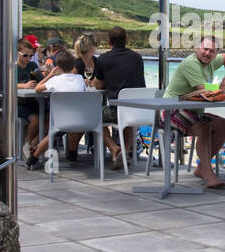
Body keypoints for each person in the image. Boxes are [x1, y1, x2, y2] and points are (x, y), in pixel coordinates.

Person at [165, 35, 225, 188]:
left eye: (212, 51)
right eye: (205, 49)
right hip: (170, 111)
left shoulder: (211, 60)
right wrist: (221, 88)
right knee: (204, 128)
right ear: (197, 48)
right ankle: (208, 174)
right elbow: (204, 91)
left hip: (193, 111)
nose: (207, 53)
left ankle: (202, 167)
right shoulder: (191, 64)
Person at [92, 26, 146, 163]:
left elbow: (98, 85)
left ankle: (114, 148)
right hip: (138, 110)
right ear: (126, 40)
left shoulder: (103, 59)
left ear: (109, 41)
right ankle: (125, 151)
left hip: (117, 111)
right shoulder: (137, 58)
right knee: (128, 116)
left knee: (92, 116)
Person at [27, 51, 88, 169]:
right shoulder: (80, 78)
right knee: (72, 128)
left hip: (61, 119)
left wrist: (50, 75)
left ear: (58, 66)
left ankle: (33, 158)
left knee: (52, 133)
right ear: (73, 65)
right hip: (80, 118)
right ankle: (72, 153)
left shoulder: (56, 80)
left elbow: (38, 88)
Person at [15, 38, 45, 157]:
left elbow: (41, 81)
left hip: (34, 102)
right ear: (17, 53)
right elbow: (6, 84)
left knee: (49, 119)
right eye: (25, 55)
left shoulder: (32, 65)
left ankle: (31, 144)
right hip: (19, 103)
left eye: (31, 55)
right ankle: (28, 143)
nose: (28, 58)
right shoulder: (12, 67)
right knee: (36, 119)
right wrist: (23, 86)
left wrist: (46, 77)